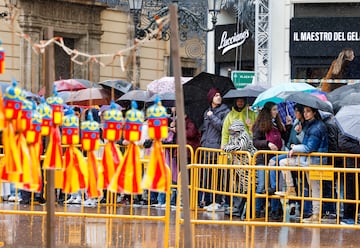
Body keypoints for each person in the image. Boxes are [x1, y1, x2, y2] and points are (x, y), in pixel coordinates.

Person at [284, 106, 328, 223]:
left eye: (308, 111)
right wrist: (299, 133)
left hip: (314, 161)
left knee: (315, 187)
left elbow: (309, 147)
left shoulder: (316, 127)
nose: (306, 114)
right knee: (313, 187)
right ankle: (291, 188)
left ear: (314, 112)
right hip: (309, 160)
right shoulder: (311, 125)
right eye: (304, 111)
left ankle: (316, 214)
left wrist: (295, 148)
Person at [252, 101, 287, 220]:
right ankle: (257, 210)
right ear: (268, 111)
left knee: (274, 186)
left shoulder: (278, 124)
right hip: (263, 158)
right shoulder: (260, 125)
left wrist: (288, 126)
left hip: (275, 158)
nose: (276, 112)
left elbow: (285, 137)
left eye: (277, 110)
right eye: (274, 110)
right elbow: (255, 141)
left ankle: (274, 210)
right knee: (261, 185)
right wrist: (267, 143)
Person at [199, 88, 230, 211]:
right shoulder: (207, 111)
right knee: (207, 175)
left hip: (217, 148)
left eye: (219, 95)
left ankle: (217, 200)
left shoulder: (225, 111)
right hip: (206, 147)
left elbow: (223, 127)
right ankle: (206, 200)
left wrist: (212, 117)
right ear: (211, 97)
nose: (218, 97)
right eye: (216, 95)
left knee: (217, 175)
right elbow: (204, 129)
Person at [223, 120, 257, 217]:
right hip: (238, 165)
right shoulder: (232, 136)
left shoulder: (244, 135)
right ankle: (238, 208)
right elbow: (227, 145)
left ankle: (246, 210)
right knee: (238, 187)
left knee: (248, 187)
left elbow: (241, 147)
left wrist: (229, 148)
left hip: (248, 164)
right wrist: (229, 147)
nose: (232, 131)